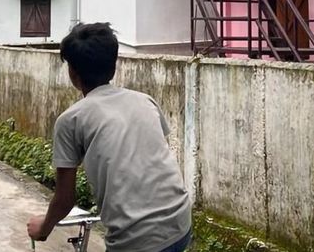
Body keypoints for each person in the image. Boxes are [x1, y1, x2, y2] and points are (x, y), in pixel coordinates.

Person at [26, 23, 192, 252]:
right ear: (114, 65)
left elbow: (65, 199)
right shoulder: (145, 100)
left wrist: (42, 228)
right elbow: (154, 158)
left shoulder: (71, 119)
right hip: (181, 223)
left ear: (72, 72)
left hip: (135, 240)